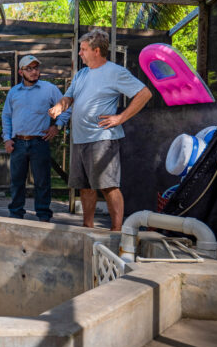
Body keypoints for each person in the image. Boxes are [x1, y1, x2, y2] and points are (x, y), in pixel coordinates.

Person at [49, 29, 152, 231]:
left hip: (102, 139)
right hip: (79, 139)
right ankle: (87, 227)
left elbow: (144, 93)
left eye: (83, 49)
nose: (80, 53)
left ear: (96, 51)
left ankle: (116, 231)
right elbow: (69, 97)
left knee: (108, 186)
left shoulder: (115, 72)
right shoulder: (81, 74)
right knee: (85, 187)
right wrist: (60, 106)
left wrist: (121, 117)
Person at [2, 55, 71, 222]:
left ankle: (43, 215)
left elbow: (67, 107)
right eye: (29, 69)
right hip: (18, 142)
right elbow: (6, 116)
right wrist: (7, 139)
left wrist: (57, 126)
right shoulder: (13, 92)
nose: (34, 72)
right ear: (21, 72)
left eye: (36, 68)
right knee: (17, 181)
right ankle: (16, 214)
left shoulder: (49, 89)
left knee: (42, 181)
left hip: (39, 142)